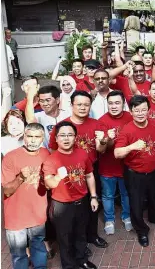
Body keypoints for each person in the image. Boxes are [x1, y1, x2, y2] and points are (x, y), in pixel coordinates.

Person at [48, 91, 108, 250]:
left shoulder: (96, 124)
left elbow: (101, 150)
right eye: (79, 104)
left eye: (86, 104)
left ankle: (92, 235)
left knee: (94, 202)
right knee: (73, 210)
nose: (83, 107)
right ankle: (79, 242)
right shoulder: (62, 126)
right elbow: (53, 150)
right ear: (71, 105)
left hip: (91, 170)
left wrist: (103, 141)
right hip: (69, 173)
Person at [43, 121, 98, 269]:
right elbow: (49, 184)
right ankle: (68, 265)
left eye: (70, 135)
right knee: (64, 238)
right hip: (61, 205)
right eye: (62, 135)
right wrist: (58, 177)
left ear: (75, 137)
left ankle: (82, 259)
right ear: (56, 138)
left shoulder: (82, 153)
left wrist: (93, 197)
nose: (66, 138)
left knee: (81, 233)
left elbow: (89, 175)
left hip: (82, 201)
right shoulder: (51, 159)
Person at [114, 95, 155, 247]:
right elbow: (117, 153)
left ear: (148, 110)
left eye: (143, 110)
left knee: (154, 197)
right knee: (136, 203)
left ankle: (154, 217)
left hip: (154, 170)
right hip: (134, 174)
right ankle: (141, 230)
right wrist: (132, 147)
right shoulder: (127, 130)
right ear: (131, 111)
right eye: (136, 110)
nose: (140, 113)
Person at [2, 123, 49, 269]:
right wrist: (21, 177)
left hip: (38, 213)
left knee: (39, 248)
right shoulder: (10, 157)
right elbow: (7, 191)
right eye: (29, 136)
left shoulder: (45, 153)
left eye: (37, 137)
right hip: (16, 216)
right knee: (19, 255)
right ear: (24, 136)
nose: (33, 140)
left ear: (42, 138)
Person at [97, 91, 133, 235]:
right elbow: (100, 149)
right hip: (107, 167)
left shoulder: (130, 117)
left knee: (126, 194)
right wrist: (106, 139)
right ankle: (109, 219)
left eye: (117, 103)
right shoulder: (101, 121)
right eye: (110, 103)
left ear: (124, 103)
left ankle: (127, 216)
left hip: (126, 165)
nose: (114, 106)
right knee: (107, 195)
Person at [25, 85, 71, 149]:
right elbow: (30, 121)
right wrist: (30, 97)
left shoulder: (68, 115)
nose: (45, 104)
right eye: (42, 101)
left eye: (48, 100)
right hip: (47, 156)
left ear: (57, 100)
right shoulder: (38, 117)